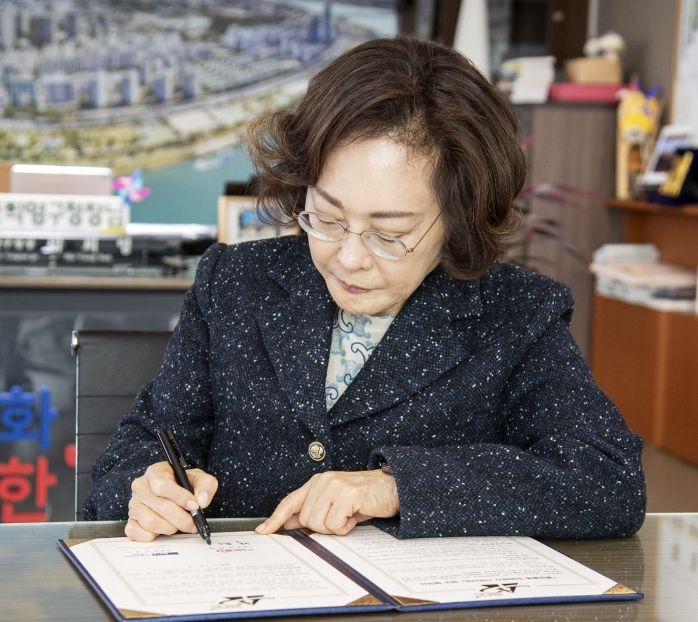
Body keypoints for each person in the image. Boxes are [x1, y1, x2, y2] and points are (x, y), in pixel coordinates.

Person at [83, 36, 646, 541]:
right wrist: (146, 487)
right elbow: (140, 446)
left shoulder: (514, 313)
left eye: (389, 234)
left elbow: (608, 481)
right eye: (326, 218)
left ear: (459, 217)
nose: (349, 257)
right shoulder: (235, 282)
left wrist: (395, 486)